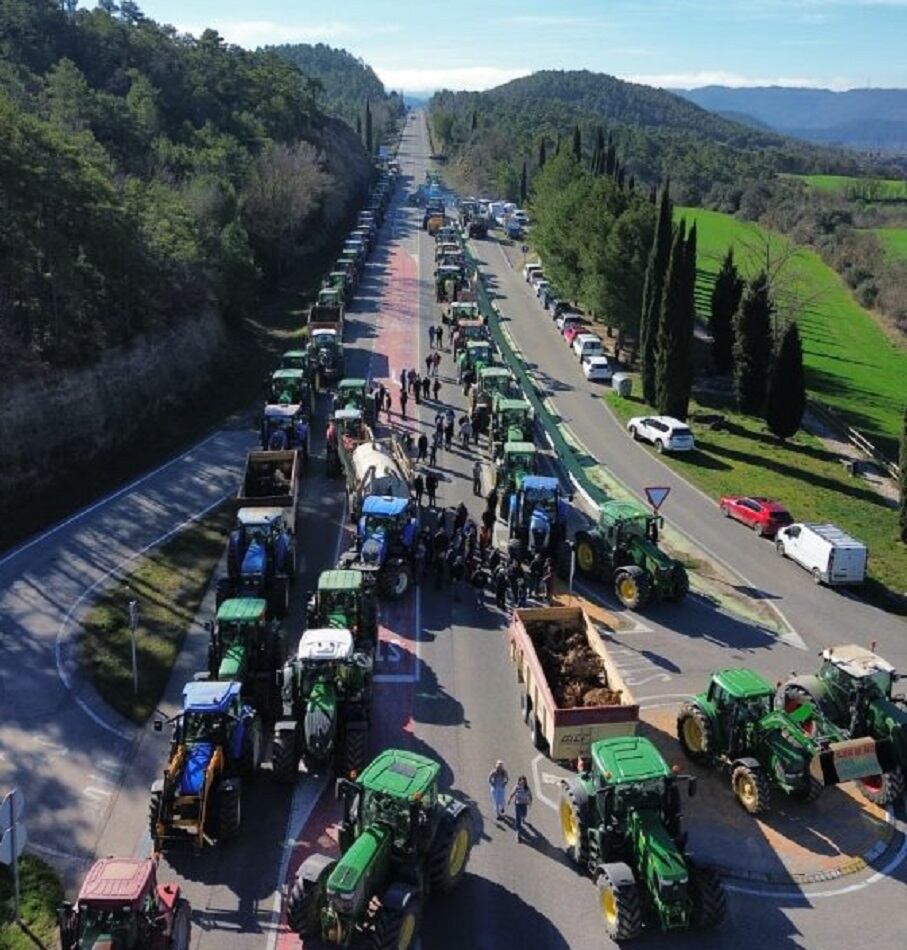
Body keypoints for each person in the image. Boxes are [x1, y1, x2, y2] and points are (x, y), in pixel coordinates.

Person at [508, 776, 533, 842]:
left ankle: (523, 819)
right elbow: (512, 794)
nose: (522, 784)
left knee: (524, 814)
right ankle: (518, 833)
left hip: (524, 803)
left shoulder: (527, 789)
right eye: (521, 782)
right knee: (518, 818)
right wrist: (509, 800)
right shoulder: (516, 787)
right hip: (518, 804)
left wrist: (530, 803)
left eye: (523, 782)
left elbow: (530, 796)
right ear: (519, 782)